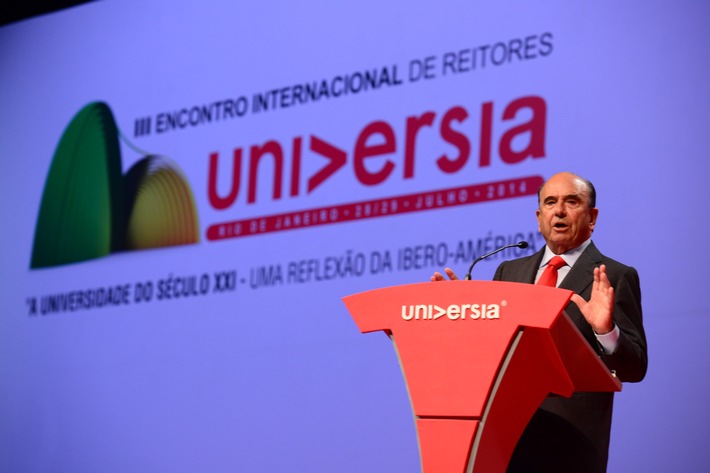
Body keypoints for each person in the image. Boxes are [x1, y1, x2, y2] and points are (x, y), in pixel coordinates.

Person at [431, 172, 648, 473]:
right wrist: (463, 318)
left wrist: (605, 331)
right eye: (550, 203)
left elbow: (635, 368)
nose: (558, 211)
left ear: (592, 216)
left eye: (571, 202)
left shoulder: (613, 275)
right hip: (506, 439)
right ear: (539, 216)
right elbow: (491, 353)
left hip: (571, 445)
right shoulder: (510, 271)